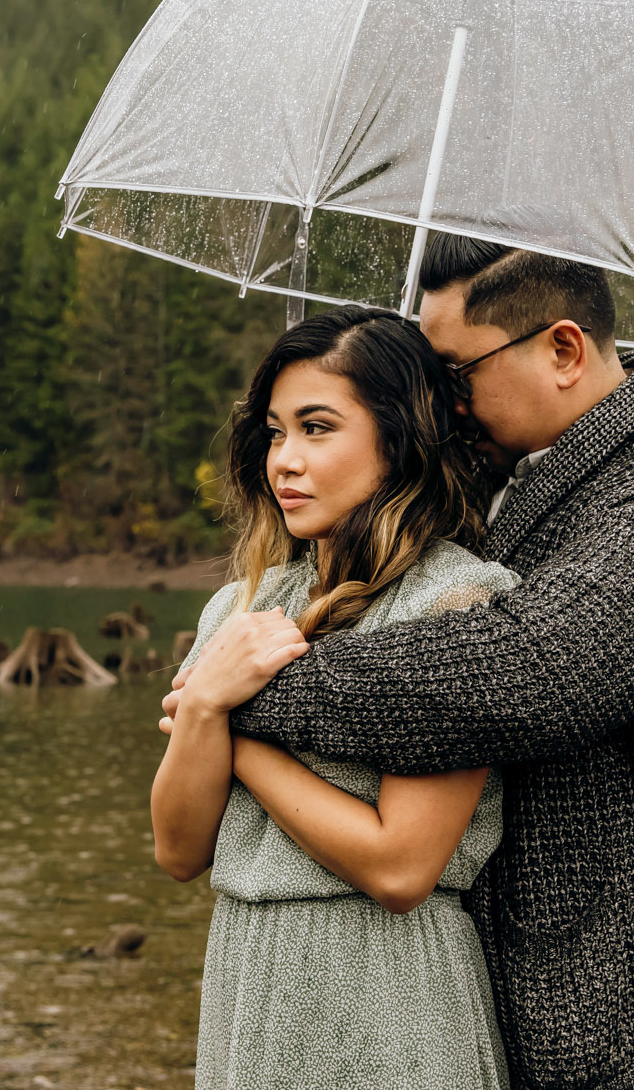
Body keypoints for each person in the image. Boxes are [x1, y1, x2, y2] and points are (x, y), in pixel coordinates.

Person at [165, 236, 634, 1090]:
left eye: (456, 375)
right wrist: (218, 691)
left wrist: (236, 698)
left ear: (563, 349)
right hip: (534, 996)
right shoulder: (534, 475)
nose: (444, 407)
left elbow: (528, 671)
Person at [152, 303, 521, 1090]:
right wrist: (207, 707)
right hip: (249, 976)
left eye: (318, 427)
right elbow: (180, 850)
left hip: (386, 986)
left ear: (398, 437)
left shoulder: (457, 604)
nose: (284, 459)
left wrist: (231, 726)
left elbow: (400, 866)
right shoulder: (241, 608)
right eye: (276, 431)